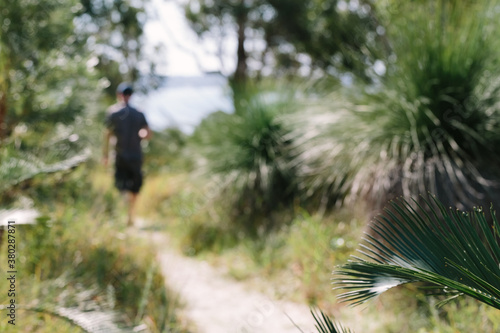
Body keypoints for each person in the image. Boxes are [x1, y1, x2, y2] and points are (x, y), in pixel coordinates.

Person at [103, 82, 151, 226]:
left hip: (120, 156)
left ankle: (125, 214)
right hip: (135, 156)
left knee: (122, 186)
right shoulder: (139, 113)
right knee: (134, 187)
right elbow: (147, 133)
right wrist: (141, 134)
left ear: (119, 95)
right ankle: (130, 214)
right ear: (131, 95)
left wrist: (105, 155)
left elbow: (107, 134)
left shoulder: (113, 113)